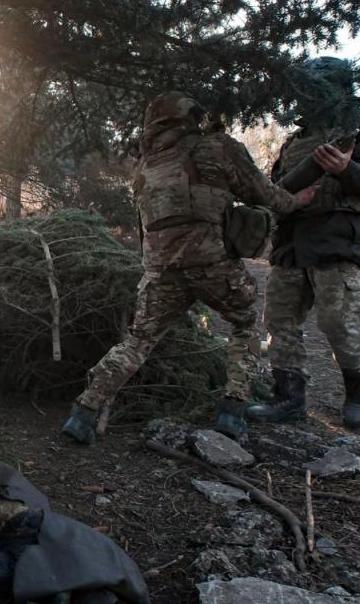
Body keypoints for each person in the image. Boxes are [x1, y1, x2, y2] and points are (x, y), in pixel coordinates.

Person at [61, 91, 316, 445]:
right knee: (243, 323)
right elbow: (264, 194)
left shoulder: (146, 167)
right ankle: (233, 410)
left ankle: (83, 412)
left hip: (161, 270)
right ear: (191, 117)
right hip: (213, 264)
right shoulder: (217, 147)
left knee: (138, 340)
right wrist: (296, 201)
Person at [246, 57, 360, 430]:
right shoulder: (296, 141)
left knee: (338, 319)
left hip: (339, 238)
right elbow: (277, 188)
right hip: (293, 241)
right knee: (279, 318)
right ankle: (288, 396)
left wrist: (345, 169)